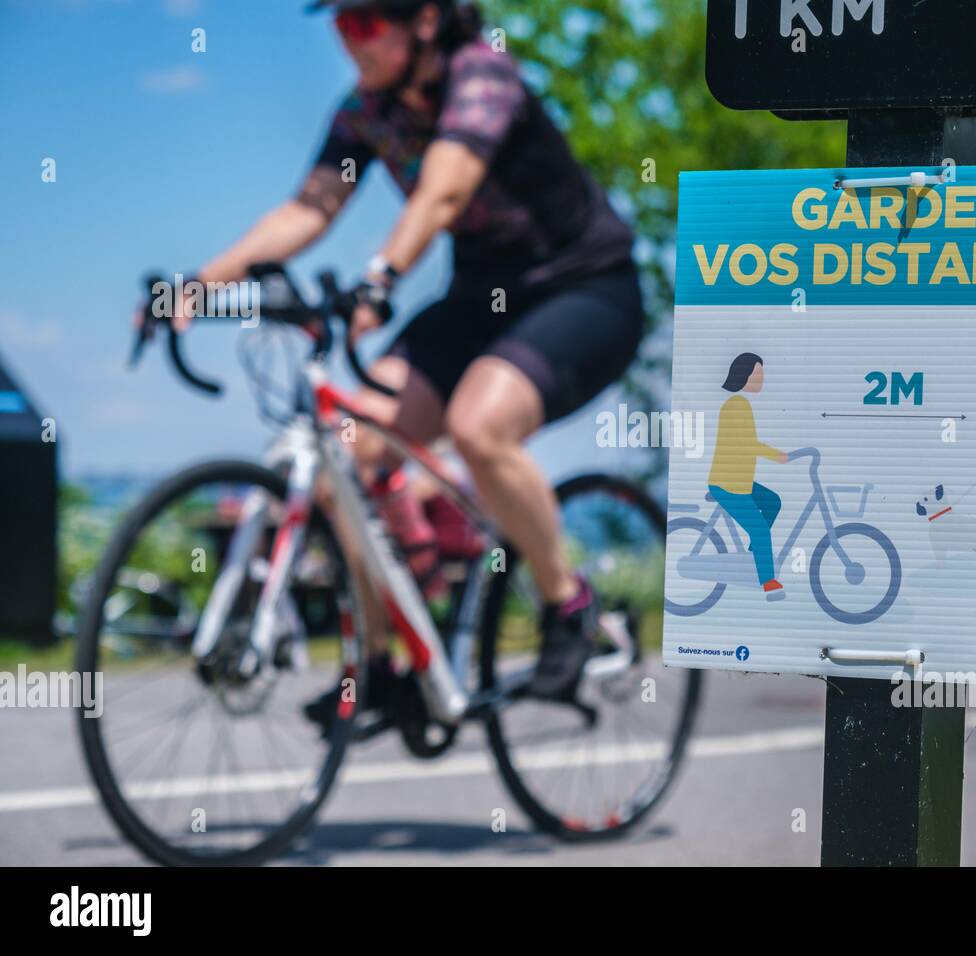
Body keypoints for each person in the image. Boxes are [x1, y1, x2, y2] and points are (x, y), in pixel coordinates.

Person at [167, 0, 645, 704]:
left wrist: (381, 276)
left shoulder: (482, 75)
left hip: (585, 291)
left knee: (482, 428)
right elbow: (310, 208)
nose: (347, 40)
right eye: (339, 26)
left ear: (423, 19)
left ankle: (569, 606)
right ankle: (387, 665)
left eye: (363, 22)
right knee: (346, 455)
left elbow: (444, 193)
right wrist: (203, 283)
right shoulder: (366, 112)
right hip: (481, 297)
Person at [706, 353, 789, 600]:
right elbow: (747, 443)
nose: (761, 378)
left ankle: (754, 556)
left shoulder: (742, 404)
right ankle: (768, 582)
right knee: (761, 530)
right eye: (758, 373)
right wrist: (779, 456)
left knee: (772, 502)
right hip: (727, 484)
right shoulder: (736, 404)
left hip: (739, 481)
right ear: (745, 375)